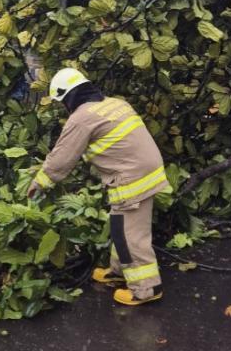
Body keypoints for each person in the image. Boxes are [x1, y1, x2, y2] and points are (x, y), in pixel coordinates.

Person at [27, 68, 171, 306]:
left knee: (130, 235)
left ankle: (147, 288)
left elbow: (62, 158)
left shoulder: (82, 117)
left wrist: (40, 183)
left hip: (131, 178)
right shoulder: (115, 104)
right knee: (120, 226)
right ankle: (119, 271)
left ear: (67, 97)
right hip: (145, 171)